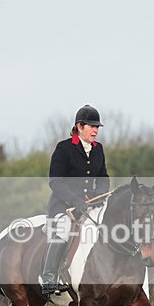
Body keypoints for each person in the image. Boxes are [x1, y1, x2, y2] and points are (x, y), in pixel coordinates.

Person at [40, 104, 110, 296]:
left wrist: (100, 196)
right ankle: (49, 277)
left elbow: (103, 178)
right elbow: (55, 181)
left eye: (98, 127)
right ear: (80, 126)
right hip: (64, 207)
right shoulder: (64, 148)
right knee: (63, 230)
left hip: (89, 206)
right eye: (92, 126)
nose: (96, 130)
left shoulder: (98, 149)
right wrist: (74, 200)